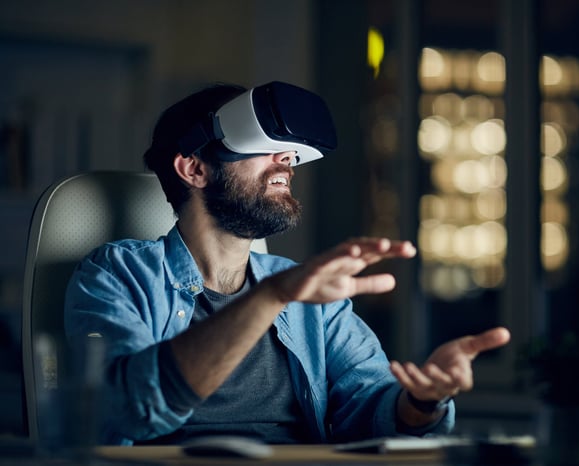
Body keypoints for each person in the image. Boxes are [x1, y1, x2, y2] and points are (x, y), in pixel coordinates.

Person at [64, 82, 510, 446]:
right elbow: (127, 409)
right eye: (262, 144)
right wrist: (270, 297)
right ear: (194, 170)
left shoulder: (304, 291)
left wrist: (421, 401)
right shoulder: (117, 275)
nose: (288, 160)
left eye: (290, 151)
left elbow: (371, 413)